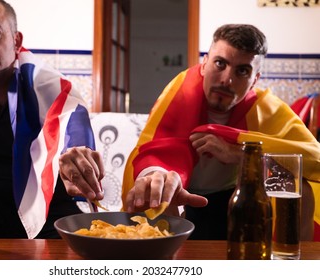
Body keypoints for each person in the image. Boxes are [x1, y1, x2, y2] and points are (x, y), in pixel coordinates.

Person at [122, 24, 320, 240]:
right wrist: (156, 175)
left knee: (298, 186)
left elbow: (314, 158)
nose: (227, 80)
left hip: (240, 202)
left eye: (242, 71)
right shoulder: (181, 93)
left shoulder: (266, 109)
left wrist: (242, 154)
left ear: (255, 80)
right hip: (184, 198)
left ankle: (293, 267)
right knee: (160, 193)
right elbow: (158, 148)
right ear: (204, 64)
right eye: (220, 64)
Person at [0, 0, 105, 239]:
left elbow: (72, 127)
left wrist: (76, 153)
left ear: (16, 40)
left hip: (46, 210)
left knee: (81, 236)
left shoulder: (49, 88)